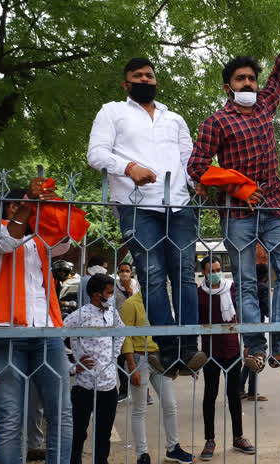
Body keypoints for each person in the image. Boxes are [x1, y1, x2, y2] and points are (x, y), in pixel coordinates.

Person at [188, 33, 280, 372]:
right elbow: (197, 167)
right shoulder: (216, 122)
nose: (248, 83)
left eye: (251, 78)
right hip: (237, 213)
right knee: (244, 281)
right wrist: (238, 186)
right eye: (241, 78)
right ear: (228, 85)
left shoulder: (264, 106)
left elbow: (278, 80)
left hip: (273, 207)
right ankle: (255, 346)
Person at [87, 57, 206, 376]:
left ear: (156, 81)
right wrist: (129, 168)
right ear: (126, 84)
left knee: (184, 275)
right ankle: (168, 351)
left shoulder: (175, 119)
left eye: (149, 75)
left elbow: (189, 160)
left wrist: (202, 183)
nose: (144, 79)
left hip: (179, 205)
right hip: (135, 204)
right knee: (152, 276)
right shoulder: (112, 111)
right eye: (137, 76)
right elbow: (95, 153)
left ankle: (188, 348)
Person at [0, 180, 73, 464]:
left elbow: (63, 244)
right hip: (5, 332)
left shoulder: (38, 237)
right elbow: (7, 243)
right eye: (29, 204)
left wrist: (53, 210)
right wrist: (28, 207)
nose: (35, 210)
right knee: (10, 417)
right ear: (13, 206)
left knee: (61, 413)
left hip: (47, 332)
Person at [121, 290, 193, 464]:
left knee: (170, 405)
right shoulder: (131, 304)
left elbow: (168, 333)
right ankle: (142, 454)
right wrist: (131, 365)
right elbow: (125, 336)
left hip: (161, 359)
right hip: (140, 359)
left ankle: (173, 448)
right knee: (140, 409)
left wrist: (173, 362)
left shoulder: (161, 303)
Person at [197, 257, 255, 459]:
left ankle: (238, 437)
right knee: (210, 396)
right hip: (210, 352)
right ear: (203, 273)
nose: (216, 272)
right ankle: (210, 440)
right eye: (211, 270)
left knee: (234, 396)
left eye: (218, 269)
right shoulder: (199, 293)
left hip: (231, 350)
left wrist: (247, 343)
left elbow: (242, 314)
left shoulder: (231, 288)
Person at [64, 274, 124, 464]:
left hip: (109, 386)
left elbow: (122, 332)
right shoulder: (79, 316)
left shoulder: (112, 313)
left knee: (103, 434)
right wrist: (72, 367)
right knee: (78, 434)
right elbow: (54, 338)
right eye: (110, 293)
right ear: (97, 295)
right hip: (85, 386)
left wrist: (113, 356)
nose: (112, 297)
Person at [240, 264, 269, 402]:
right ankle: (251, 392)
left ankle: (240, 389)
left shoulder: (249, 287)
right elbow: (267, 307)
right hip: (257, 325)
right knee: (258, 355)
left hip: (245, 324)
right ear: (265, 275)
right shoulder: (262, 287)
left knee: (251, 357)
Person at [114, 261, 139, 403]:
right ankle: (123, 391)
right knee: (121, 359)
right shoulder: (114, 287)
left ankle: (144, 392)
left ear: (131, 273)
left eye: (127, 270)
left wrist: (129, 289)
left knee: (137, 358)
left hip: (134, 327)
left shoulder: (135, 286)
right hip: (119, 327)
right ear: (118, 273)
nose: (124, 273)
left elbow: (138, 303)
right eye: (121, 270)